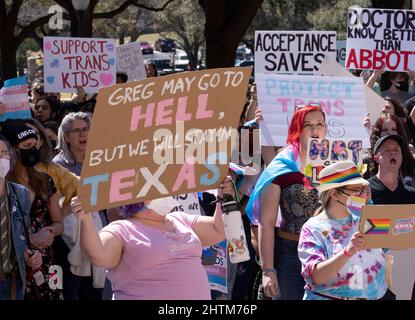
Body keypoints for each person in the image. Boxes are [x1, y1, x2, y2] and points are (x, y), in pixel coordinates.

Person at [70, 177, 233, 300]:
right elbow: (98, 254)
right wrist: (86, 220)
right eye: (158, 188)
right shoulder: (123, 229)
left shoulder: (180, 219)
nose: (167, 191)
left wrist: (223, 197)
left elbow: (218, 230)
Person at [246, 104, 327, 300]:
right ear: (298, 129)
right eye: (308, 125)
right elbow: (266, 222)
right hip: (292, 256)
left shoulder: (338, 163)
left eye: (320, 124)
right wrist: (268, 270)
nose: (315, 130)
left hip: (329, 253)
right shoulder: (282, 166)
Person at [298, 161, 393, 300]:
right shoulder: (312, 228)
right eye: (356, 190)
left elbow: (390, 242)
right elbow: (315, 276)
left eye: (363, 189)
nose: (363, 195)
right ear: (334, 194)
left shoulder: (365, 217)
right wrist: (347, 252)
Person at [2, 120, 64, 300]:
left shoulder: (45, 180)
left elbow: (59, 223)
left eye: (35, 145)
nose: (33, 150)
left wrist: (49, 232)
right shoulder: (4, 186)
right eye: (27, 146)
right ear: (13, 150)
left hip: (50, 262)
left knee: (55, 296)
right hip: (19, 267)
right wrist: (31, 238)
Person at [368, 134, 415, 300]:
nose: (393, 153)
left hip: (406, 272)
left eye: (396, 150)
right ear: (377, 158)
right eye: (387, 150)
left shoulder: (411, 196)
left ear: (402, 157)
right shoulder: (364, 192)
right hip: (371, 272)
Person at [0, 135, 42, 300]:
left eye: (4, 153)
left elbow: (22, 236)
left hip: (12, 283)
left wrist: (28, 255)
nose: (1, 158)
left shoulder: (20, 193)